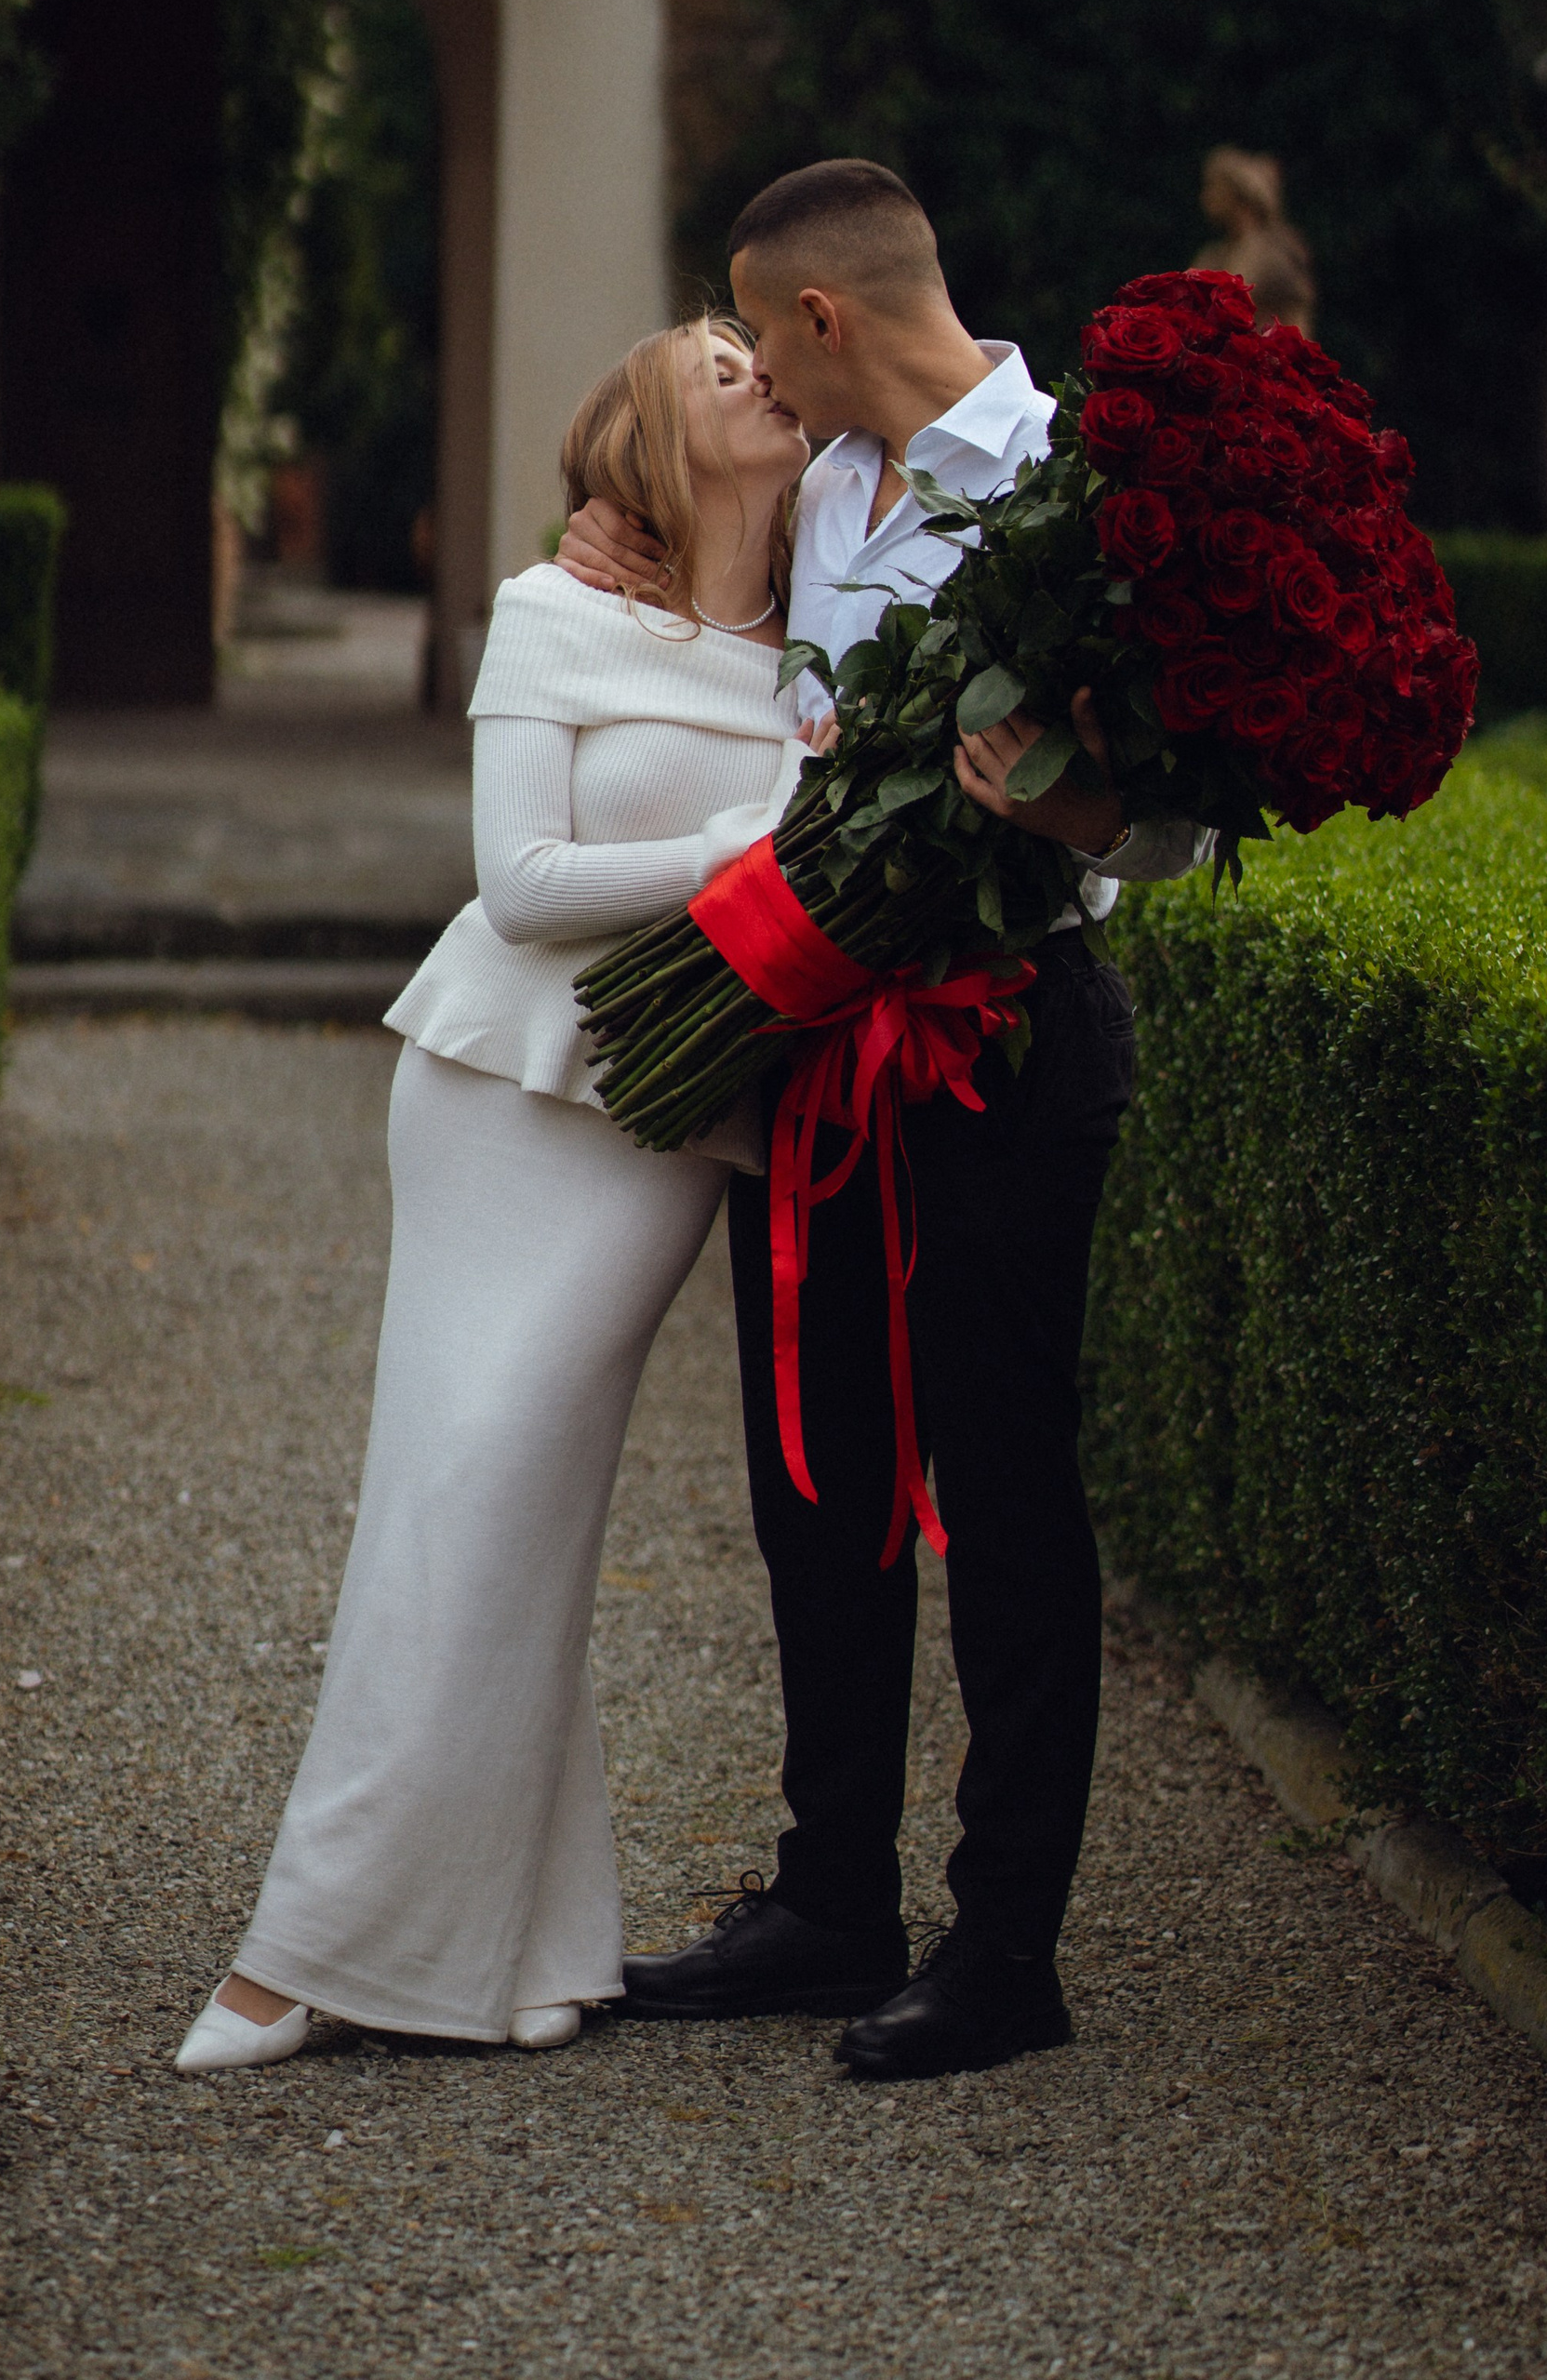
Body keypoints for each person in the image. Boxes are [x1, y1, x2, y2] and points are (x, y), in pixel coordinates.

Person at [558, 160, 1208, 2082]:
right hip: (818, 1043)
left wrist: (1062, 808)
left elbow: (1169, 829)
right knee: (816, 1479)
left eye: (759, 332)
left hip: (1006, 1041)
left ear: (821, 318)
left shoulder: (1076, 495)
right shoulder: (817, 484)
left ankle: (1006, 1947)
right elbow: (702, 653)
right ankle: (828, 1898)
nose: (751, 372)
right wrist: (612, 549)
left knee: (1003, 1495)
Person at [174, 314, 807, 2071]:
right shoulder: (558, 610)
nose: (753, 369)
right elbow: (521, 883)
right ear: (651, 445)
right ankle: (366, 1943)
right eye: (715, 366)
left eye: (764, 352)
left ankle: (478, 1941)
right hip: (492, 1094)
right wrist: (750, 854)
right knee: (457, 1495)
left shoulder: (834, 637)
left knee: (515, 1497)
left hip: (666, 1126)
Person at [1190, 145, 1316, 333]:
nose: (1205, 196)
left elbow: (1297, 327)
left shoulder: (1274, 254)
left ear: (1239, 194)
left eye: (1214, 186)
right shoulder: (1213, 255)